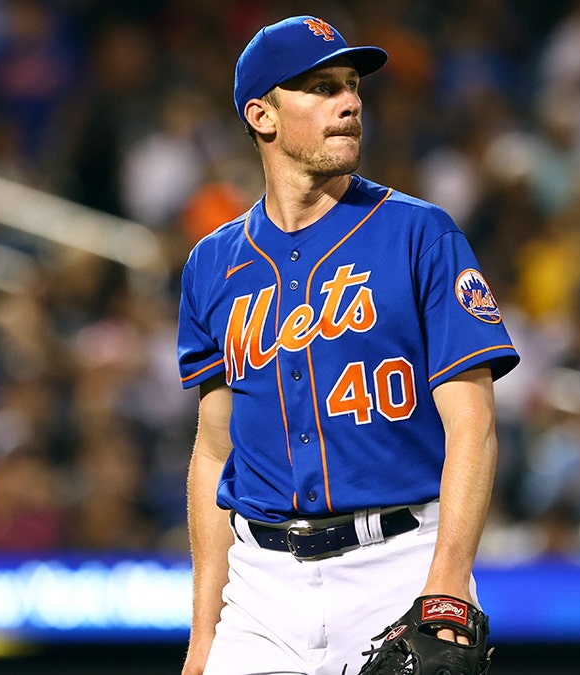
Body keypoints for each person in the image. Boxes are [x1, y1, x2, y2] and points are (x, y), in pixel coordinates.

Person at [176, 15, 519, 675]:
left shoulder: (421, 234)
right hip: (260, 587)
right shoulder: (212, 263)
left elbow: (472, 422)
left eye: (353, 85)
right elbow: (214, 452)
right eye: (321, 87)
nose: (350, 102)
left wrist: (446, 581)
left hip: (400, 565)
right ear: (262, 115)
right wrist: (203, 637)